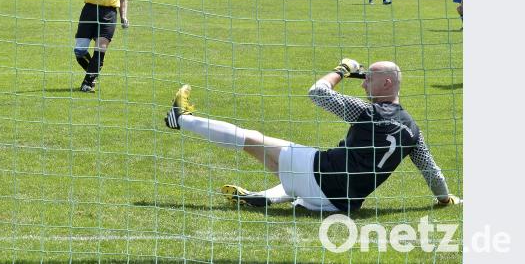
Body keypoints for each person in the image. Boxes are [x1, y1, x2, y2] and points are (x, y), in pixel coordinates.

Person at [164, 59, 461, 212]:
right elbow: (431, 172)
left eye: (368, 79)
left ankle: (182, 119)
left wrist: (342, 69)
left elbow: (317, 93)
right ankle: (271, 197)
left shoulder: (366, 112)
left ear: (386, 82)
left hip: (318, 174)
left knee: (251, 138)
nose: (363, 85)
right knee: (280, 161)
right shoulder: (414, 130)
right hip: (341, 204)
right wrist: (445, 198)